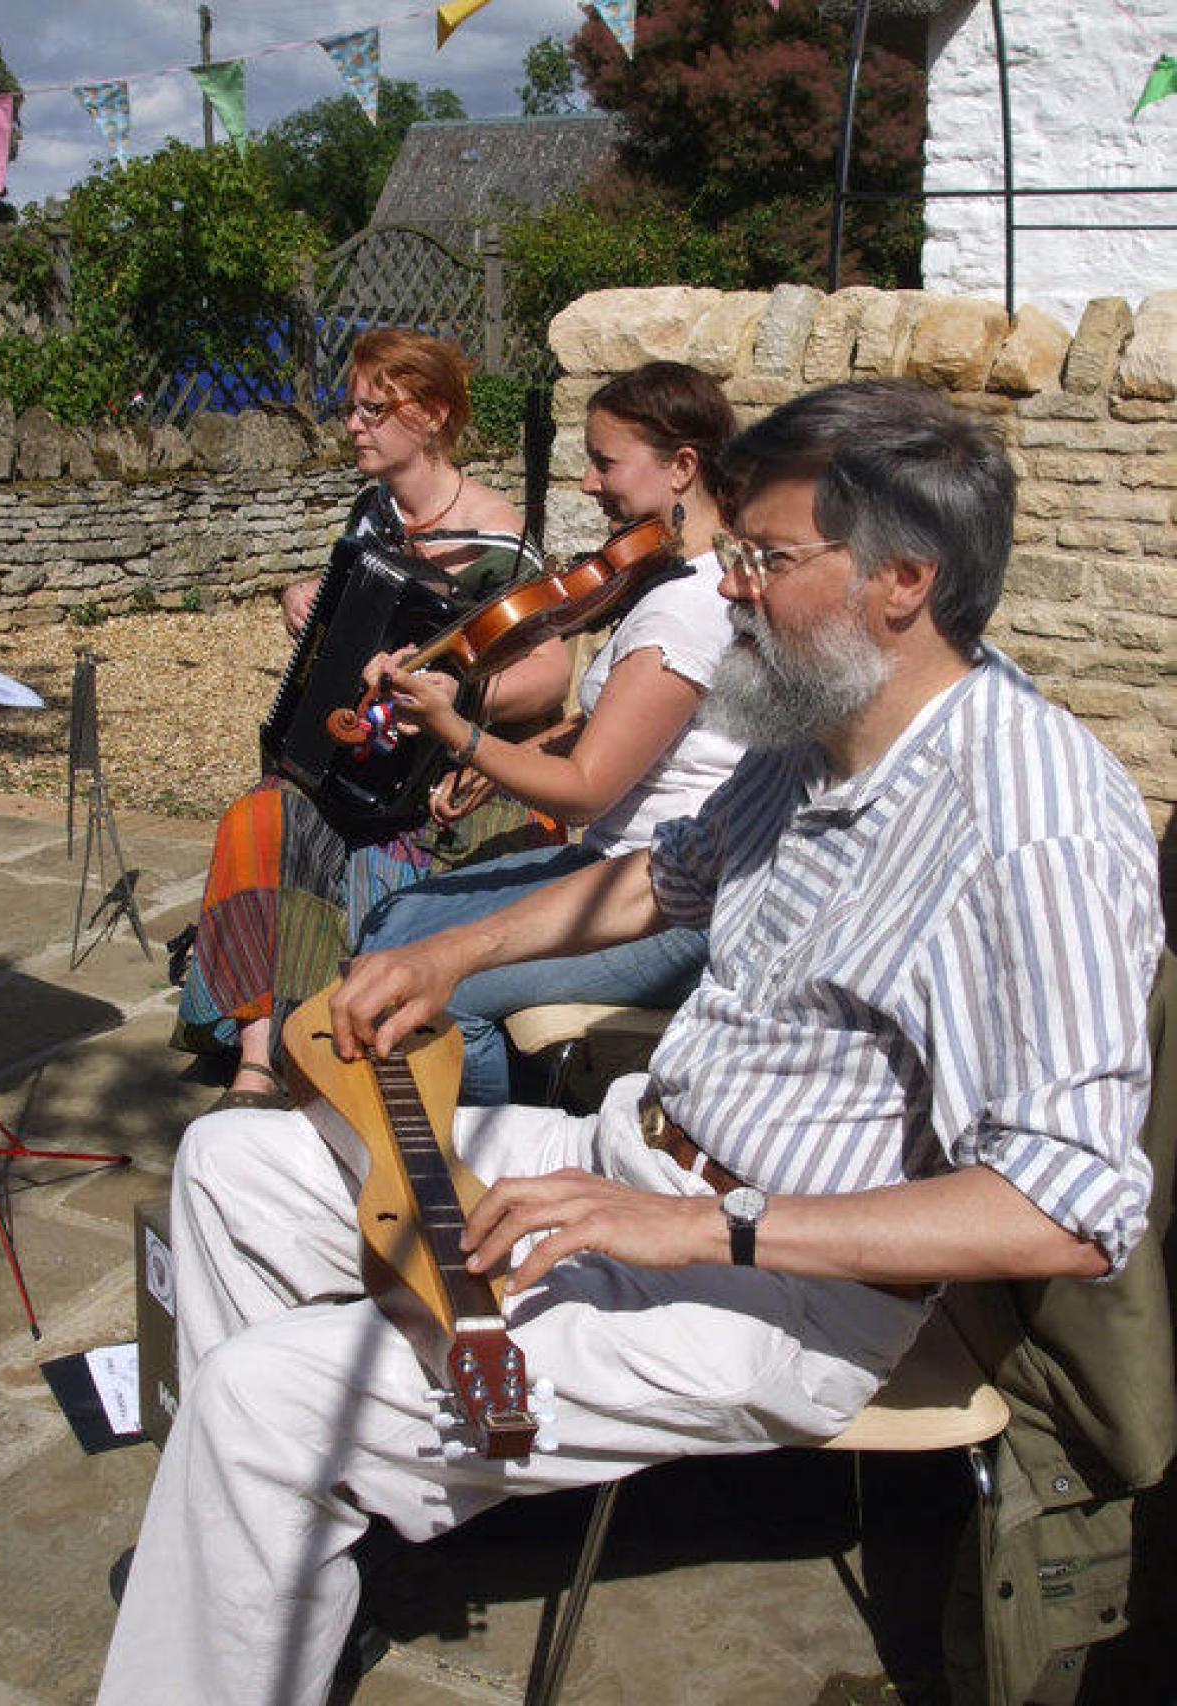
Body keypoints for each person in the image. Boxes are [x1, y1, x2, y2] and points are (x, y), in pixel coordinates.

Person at [97, 380, 1162, 1706]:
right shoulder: (822, 720)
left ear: (904, 581)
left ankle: (271, 1506)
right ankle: (279, 1564)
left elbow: (1065, 1209)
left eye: (764, 560)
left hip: (776, 1290)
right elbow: (666, 876)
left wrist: (703, 1227)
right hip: (633, 1159)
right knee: (232, 1167)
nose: (728, 589)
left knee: (259, 1397)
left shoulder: (1033, 828)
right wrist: (449, 952)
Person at [175, 327, 570, 1106]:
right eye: (350, 409)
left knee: (371, 847)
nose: (353, 425)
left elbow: (549, 676)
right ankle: (262, 1057)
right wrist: (304, 602)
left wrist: (453, 705)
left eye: (372, 411)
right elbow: (350, 629)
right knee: (260, 816)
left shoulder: (500, 542)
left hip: (460, 776)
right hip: (359, 765)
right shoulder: (372, 515)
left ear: (431, 415)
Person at [353, 359, 744, 1102]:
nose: (589, 483)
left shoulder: (686, 611)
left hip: (674, 909)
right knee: (392, 924)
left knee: (437, 993)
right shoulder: (670, 577)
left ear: (683, 467)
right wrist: (517, 753)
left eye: (605, 462)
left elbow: (585, 794)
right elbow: (608, 725)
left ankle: (507, 1133)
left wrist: (460, 733)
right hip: (615, 866)